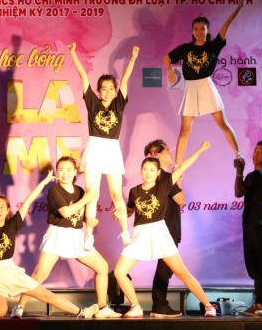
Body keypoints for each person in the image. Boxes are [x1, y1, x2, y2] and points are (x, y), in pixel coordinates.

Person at [0, 172, 94, 319]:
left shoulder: (12, 225)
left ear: (7, 211)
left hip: (10, 270)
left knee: (45, 294)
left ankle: (82, 312)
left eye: (2, 207)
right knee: (0, 312)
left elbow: (29, 199)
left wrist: (44, 182)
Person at [113, 142, 217, 318]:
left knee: (182, 273)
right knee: (119, 272)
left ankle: (208, 305)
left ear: (158, 172)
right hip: (140, 235)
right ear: (141, 171)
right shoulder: (134, 191)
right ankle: (136, 306)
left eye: (152, 170)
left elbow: (183, 166)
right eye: (145, 169)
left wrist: (200, 150)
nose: (148, 173)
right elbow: (129, 210)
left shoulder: (163, 186)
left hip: (159, 234)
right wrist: (120, 213)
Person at [12, 157, 120, 319]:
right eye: (61, 170)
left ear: (75, 172)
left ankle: (102, 307)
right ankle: (19, 307)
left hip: (76, 235)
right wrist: (87, 198)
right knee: (39, 274)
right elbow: (66, 212)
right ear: (57, 172)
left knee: (102, 267)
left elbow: (79, 214)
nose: (65, 173)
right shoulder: (54, 190)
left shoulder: (80, 191)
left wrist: (89, 221)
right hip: (58, 234)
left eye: (69, 170)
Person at [69, 43, 139, 248]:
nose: (107, 92)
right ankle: (89, 236)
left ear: (115, 91)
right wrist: (73, 53)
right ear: (99, 91)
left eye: (111, 88)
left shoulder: (119, 104)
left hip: (111, 150)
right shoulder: (93, 103)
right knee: (92, 193)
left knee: (117, 194)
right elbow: (83, 77)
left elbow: (125, 80)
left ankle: (125, 234)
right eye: (104, 88)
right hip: (94, 148)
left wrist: (132, 59)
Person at [163, 0, 246, 165]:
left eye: (202, 28)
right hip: (190, 88)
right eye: (196, 28)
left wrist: (239, 7)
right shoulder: (186, 48)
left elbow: (226, 26)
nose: (199, 31)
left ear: (208, 30)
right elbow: (166, 57)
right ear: (192, 31)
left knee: (223, 124)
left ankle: (238, 155)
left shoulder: (213, 46)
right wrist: (170, 71)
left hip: (206, 86)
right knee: (184, 131)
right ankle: (177, 166)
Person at [234, 141, 262, 317]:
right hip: (254, 226)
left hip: (259, 227)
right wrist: (240, 171)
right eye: (255, 150)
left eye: (261, 151)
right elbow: (240, 193)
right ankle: (260, 303)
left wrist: (239, 171)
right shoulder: (259, 175)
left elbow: (238, 192)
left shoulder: (258, 175)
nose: (256, 153)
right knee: (257, 267)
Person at [143, 140, 186, 318]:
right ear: (159, 155)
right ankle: (159, 305)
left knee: (165, 267)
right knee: (165, 269)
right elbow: (181, 200)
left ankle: (159, 304)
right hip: (167, 227)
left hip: (164, 226)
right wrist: (179, 183)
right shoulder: (166, 177)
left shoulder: (158, 177)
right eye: (167, 150)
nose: (171, 153)